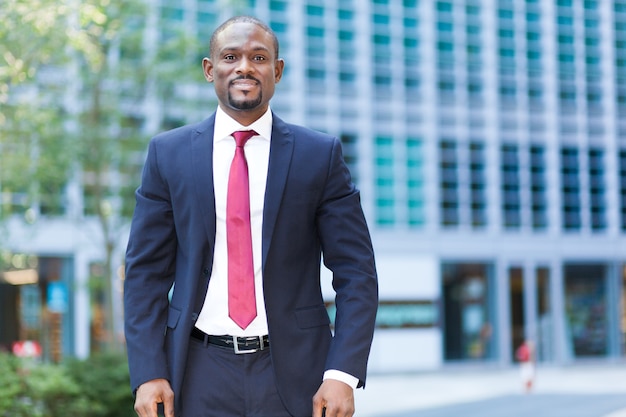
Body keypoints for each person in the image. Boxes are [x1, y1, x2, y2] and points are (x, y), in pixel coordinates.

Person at [123, 15, 379, 417]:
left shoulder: (319, 155)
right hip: (197, 370)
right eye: (230, 56)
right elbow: (145, 274)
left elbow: (356, 271)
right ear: (211, 70)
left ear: (277, 71)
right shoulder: (167, 154)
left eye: (258, 57)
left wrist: (342, 373)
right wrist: (148, 372)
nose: (244, 67)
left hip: (297, 374)